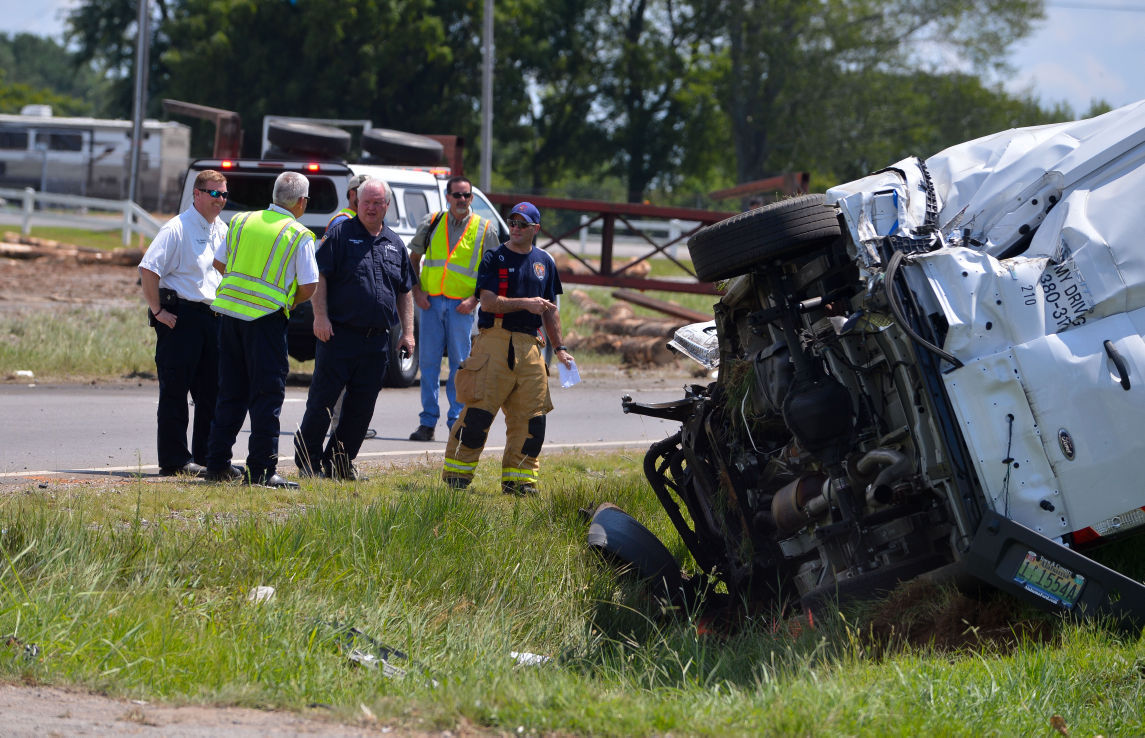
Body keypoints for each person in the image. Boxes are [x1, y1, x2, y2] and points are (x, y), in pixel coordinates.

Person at [442, 202, 574, 495]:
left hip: (530, 347)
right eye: (512, 223)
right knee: (477, 417)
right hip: (494, 342)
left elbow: (550, 311)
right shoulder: (494, 257)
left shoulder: (545, 262)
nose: (515, 228)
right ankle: (457, 479)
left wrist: (561, 348)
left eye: (522, 224)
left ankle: (519, 482)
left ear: (534, 230)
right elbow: (487, 302)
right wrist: (525, 303)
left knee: (532, 421)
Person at [204, 171, 319, 488]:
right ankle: (261, 470)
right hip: (266, 320)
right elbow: (309, 285)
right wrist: (287, 301)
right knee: (267, 395)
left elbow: (219, 263)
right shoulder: (298, 235)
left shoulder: (241, 221)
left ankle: (216, 465)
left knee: (230, 392)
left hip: (229, 316)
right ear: (300, 202)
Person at [293, 179, 415, 479]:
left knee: (361, 408)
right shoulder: (340, 236)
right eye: (366, 202)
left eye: (377, 202)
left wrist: (408, 333)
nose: (371, 207)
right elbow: (319, 277)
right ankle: (308, 464)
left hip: (377, 343)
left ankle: (339, 463)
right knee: (322, 402)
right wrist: (319, 317)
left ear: (387, 205)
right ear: (356, 203)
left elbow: (405, 290)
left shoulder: (394, 243)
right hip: (339, 336)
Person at [137, 169, 229, 477]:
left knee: (212, 394)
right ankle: (175, 461)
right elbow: (149, 269)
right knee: (175, 392)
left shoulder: (222, 229)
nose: (221, 199)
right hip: (182, 318)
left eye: (224, 194)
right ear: (198, 194)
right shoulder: (177, 228)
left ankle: (205, 459)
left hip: (214, 318)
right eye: (215, 193)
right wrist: (157, 311)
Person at [407, 175, 499, 442]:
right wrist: (417, 292)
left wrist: (475, 300)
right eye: (456, 195)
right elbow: (413, 259)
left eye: (466, 195)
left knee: (460, 366)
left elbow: (491, 273)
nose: (462, 200)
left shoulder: (485, 229)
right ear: (447, 197)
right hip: (431, 302)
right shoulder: (432, 222)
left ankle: (456, 422)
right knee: (428, 364)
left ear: (471, 198)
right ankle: (427, 423)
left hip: (462, 307)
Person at [323, 173, 370, 240]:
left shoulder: (365, 219)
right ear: (352, 193)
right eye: (364, 192)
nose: (368, 197)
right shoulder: (342, 221)